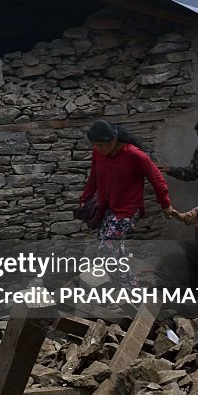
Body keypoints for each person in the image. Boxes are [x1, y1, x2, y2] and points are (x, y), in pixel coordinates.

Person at [81, 120, 172, 289]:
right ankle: (121, 287)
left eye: (101, 145)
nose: (98, 149)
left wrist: (165, 204)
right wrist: (85, 199)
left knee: (107, 249)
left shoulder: (135, 155)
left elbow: (157, 179)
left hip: (127, 210)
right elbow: (93, 177)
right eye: (95, 145)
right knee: (114, 251)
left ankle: (131, 289)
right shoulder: (98, 153)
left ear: (113, 140)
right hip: (105, 208)